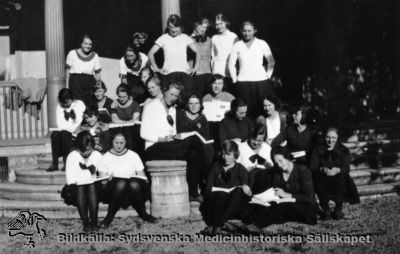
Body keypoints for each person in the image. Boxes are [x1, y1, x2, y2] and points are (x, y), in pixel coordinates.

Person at [140, 82, 207, 201]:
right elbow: (143, 133)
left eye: (176, 96)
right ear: (164, 91)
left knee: (193, 154)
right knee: (195, 140)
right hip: (153, 147)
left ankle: (193, 193)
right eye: (171, 94)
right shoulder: (151, 107)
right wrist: (161, 139)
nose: (173, 98)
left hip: (169, 145)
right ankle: (206, 180)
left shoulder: (172, 110)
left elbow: (173, 130)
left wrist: (175, 137)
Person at [245, 147, 317, 232]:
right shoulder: (278, 173)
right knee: (266, 206)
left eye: (280, 160)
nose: (278, 164)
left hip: (305, 208)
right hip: (286, 207)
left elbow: (309, 197)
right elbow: (276, 194)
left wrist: (287, 195)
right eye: (276, 162)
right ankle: (246, 223)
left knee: (283, 206)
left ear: (288, 158)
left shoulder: (303, 170)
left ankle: (257, 226)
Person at [98, 131, 157, 228]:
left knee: (134, 184)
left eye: (122, 143)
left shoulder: (133, 155)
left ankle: (143, 214)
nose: (119, 146)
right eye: (116, 143)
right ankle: (109, 217)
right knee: (120, 183)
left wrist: (138, 179)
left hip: (132, 190)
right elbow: (102, 181)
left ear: (126, 142)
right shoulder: (105, 157)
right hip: (114, 190)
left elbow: (142, 176)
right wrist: (108, 179)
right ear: (112, 142)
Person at [200, 140, 251, 236]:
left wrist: (245, 188)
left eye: (228, 154)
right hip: (218, 201)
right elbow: (208, 189)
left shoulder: (240, 168)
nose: (225, 157)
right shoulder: (216, 167)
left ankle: (219, 224)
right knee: (221, 195)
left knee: (239, 191)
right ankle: (226, 223)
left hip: (235, 203)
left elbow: (246, 189)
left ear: (235, 154)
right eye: (223, 154)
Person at [310, 127, 360, 220]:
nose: (330, 140)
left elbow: (346, 168)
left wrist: (338, 170)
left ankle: (338, 209)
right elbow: (313, 166)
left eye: (333, 138)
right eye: (328, 137)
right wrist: (322, 169)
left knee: (343, 177)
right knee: (317, 177)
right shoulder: (317, 149)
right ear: (324, 137)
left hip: (337, 177)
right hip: (322, 177)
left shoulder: (343, 150)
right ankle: (326, 209)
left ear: (337, 138)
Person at [229, 21, 275, 118]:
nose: (247, 33)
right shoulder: (237, 45)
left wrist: (267, 75)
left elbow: (271, 61)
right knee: (246, 112)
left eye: (249, 31)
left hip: (261, 83)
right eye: (244, 31)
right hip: (243, 83)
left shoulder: (262, 43)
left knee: (263, 111)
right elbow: (231, 64)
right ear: (241, 31)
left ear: (255, 31)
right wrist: (234, 80)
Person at [148, 14, 200, 99]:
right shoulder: (163, 38)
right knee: (170, 100)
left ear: (180, 26)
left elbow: (197, 52)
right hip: (169, 75)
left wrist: (195, 68)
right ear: (168, 27)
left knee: (185, 100)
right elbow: (150, 53)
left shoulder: (185, 37)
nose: (173, 29)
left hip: (184, 74)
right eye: (171, 27)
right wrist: (157, 69)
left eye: (176, 27)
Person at [65, 131, 103, 232]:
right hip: (77, 187)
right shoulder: (72, 156)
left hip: (94, 187)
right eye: (83, 149)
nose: (86, 152)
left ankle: (94, 222)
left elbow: (102, 173)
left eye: (89, 148)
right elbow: (71, 178)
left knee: (91, 186)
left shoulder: (97, 155)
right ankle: (86, 223)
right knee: (80, 188)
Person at [176, 93, 214, 183]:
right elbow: (179, 133)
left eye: (196, 103)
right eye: (191, 103)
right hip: (184, 146)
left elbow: (206, 136)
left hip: (198, 148)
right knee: (194, 155)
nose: (194, 106)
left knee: (206, 152)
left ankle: (207, 181)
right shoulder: (181, 115)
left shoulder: (202, 118)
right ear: (187, 105)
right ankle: (205, 180)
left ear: (200, 105)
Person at [47, 88, 85, 172]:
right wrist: (66, 129)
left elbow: (80, 121)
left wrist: (70, 129)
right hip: (65, 130)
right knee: (55, 135)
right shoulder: (59, 107)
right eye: (62, 103)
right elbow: (60, 124)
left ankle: (66, 162)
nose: (64, 104)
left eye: (66, 102)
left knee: (65, 134)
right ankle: (55, 163)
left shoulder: (79, 104)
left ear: (72, 98)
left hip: (77, 130)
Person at [66, 34, 101, 105]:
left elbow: (97, 74)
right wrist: (67, 87)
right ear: (81, 43)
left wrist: (98, 88)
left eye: (90, 44)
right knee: (78, 105)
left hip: (90, 82)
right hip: (75, 82)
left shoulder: (95, 56)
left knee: (90, 105)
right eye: (85, 43)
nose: (88, 46)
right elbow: (67, 72)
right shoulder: (72, 53)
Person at [237, 124, 273, 194]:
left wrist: (267, 164)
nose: (256, 143)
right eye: (254, 139)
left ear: (264, 139)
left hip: (264, 182)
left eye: (259, 141)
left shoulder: (267, 148)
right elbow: (236, 168)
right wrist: (246, 170)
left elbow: (271, 167)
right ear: (250, 137)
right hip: (246, 181)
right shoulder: (241, 147)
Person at [203, 74, 235, 151]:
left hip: (224, 130)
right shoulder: (205, 98)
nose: (216, 86)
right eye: (214, 83)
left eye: (219, 83)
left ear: (223, 85)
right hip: (209, 129)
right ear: (211, 84)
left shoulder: (230, 98)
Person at [211, 13, 238, 95]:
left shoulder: (233, 36)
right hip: (217, 72)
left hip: (229, 73)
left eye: (221, 23)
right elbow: (213, 55)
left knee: (229, 96)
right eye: (217, 24)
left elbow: (236, 56)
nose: (219, 26)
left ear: (226, 23)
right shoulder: (214, 38)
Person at [110, 83, 141, 153]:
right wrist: (127, 122)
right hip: (118, 130)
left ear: (129, 95)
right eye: (120, 96)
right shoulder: (114, 104)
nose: (122, 99)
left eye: (124, 97)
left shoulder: (135, 104)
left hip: (132, 131)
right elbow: (114, 119)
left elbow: (135, 121)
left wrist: (122, 122)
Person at [190, 21, 213, 96]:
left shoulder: (209, 40)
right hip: (196, 75)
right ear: (195, 26)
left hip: (208, 73)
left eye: (205, 27)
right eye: (201, 26)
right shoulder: (189, 40)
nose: (203, 29)